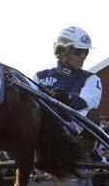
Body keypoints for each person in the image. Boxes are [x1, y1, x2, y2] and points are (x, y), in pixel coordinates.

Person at [33, 26, 102, 162]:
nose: (83, 56)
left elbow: (88, 103)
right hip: (42, 128)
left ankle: (82, 148)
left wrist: (68, 98)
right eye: (78, 52)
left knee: (90, 114)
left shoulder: (91, 79)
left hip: (71, 129)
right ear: (63, 51)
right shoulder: (39, 76)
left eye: (85, 52)